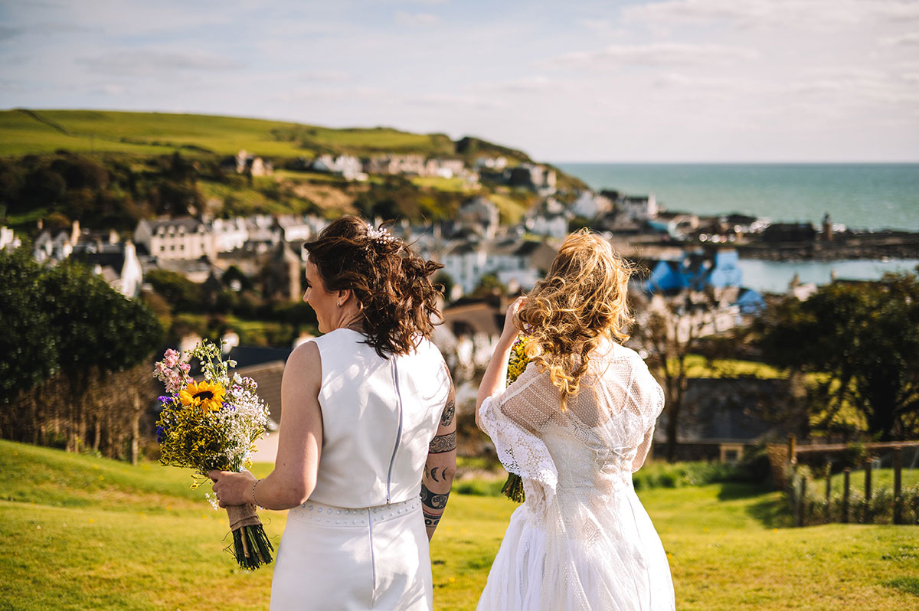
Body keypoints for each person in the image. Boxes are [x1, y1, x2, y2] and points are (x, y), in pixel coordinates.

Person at [210, 216, 456, 611]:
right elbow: (442, 467)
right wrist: (414, 535)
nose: (306, 296)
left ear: (342, 292)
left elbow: (294, 486)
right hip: (407, 554)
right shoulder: (432, 358)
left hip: (325, 557)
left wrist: (244, 489)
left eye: (310, 284)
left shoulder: (312, 358)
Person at [475, 230, 675, 610]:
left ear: (558, 291)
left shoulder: (553, 375)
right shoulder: (637, 372)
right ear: (612, 297)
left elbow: (487, 414)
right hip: (628, 537)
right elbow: (635, 461)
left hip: (562, 543)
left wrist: (506, 341)